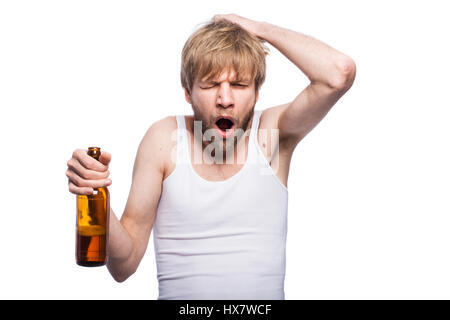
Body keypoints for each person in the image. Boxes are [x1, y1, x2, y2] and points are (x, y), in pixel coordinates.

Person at [66, 14, 356, 299]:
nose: (225, 99)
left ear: (257, 93)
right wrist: (97, 192)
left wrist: (260, 29)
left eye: (240, 85)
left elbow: (339, 73)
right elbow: (123, 266)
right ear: (188, 91)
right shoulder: (164, 139)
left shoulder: (271, 135)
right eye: (210, 84)